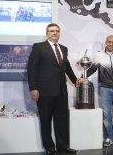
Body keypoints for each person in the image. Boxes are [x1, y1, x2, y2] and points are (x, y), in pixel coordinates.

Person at [27, 23, 79, 155]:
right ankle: (49, 147)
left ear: (59, 33)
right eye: (51, 31)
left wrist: (75, 80)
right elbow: (32, 69)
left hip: (61, 90)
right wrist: (33, 88)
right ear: (47, 33)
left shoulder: (64, 48)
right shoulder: (39, 47)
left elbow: (66, 67)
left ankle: (63, 146)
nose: (54, 33)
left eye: (57, 31)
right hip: (44, 91)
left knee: (62, 119)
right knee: (46, 119)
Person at [85, 35, 113, 147]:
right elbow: (92, 69)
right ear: (106, 42)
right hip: (105, 89)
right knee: (106, 114)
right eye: (109, 42)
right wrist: (83, 76)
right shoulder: (98, 55)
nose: (111, 44)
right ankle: (108, 137)